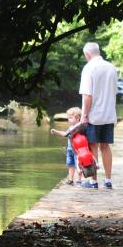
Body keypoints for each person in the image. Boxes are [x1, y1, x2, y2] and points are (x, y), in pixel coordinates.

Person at [78, 42, 117, 189]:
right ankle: (108, 180)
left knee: (92, 146)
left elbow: (87, 96)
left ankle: (93, 182)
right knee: (105, 146)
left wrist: (84, 115)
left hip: (94, 114)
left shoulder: (89, 68)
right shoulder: (111, 67)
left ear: (87, 55)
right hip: (109, 113)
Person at [50, 107, 83, 185]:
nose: (69, 120)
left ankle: (79, 180)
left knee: (79, 165)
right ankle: (71, 179)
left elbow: (65, 134)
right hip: (70, 149)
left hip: (77, 151)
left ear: (78, 118)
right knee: (70, 165)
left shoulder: (78, 127)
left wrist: (56, 131)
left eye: (70, 118)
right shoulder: (71, 127)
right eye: (69, 118)